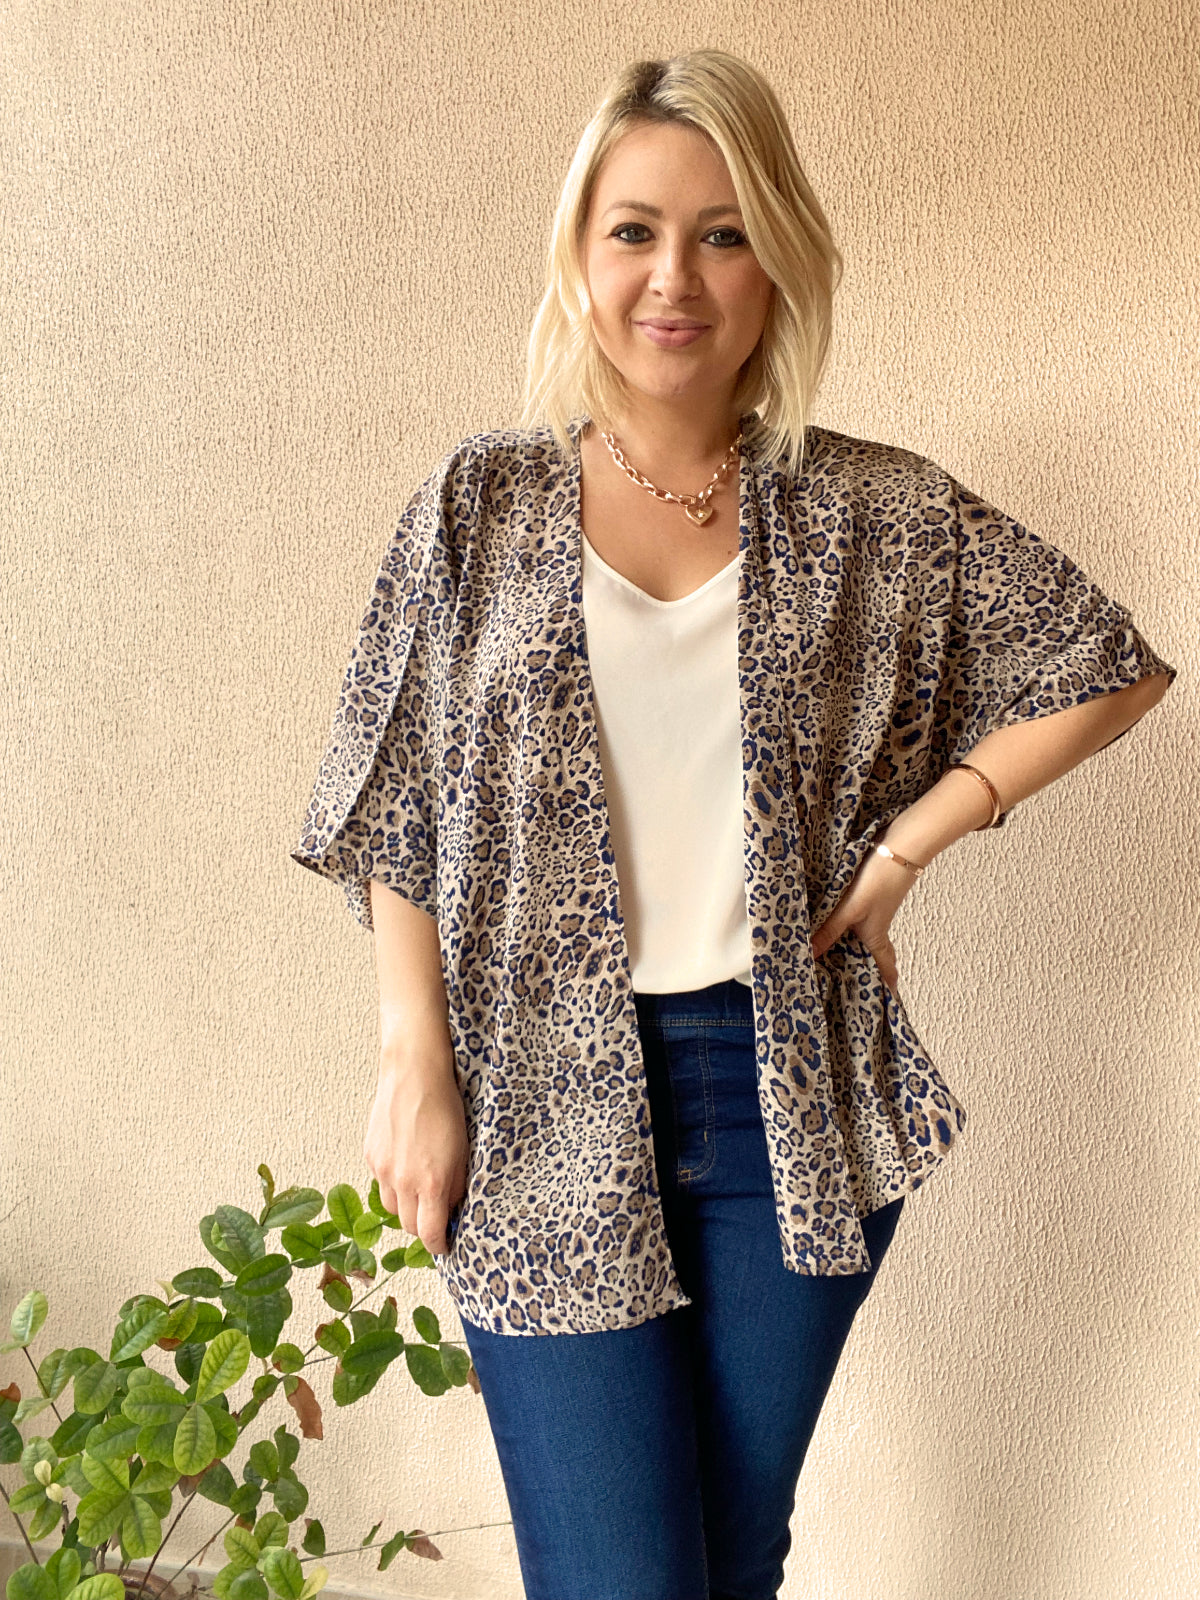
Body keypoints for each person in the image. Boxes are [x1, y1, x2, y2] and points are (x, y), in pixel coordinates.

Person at [290, 48, 1176, 1600]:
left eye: (723, 233)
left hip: (788, 1094)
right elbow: (395, 798)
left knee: (723, 1562)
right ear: (579, 254)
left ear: (779, 261)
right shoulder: (478, 507)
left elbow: (1110, 667)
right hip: (541, 1098)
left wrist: (909, 847)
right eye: (634, 231)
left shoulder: (874, 512)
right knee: (621, 1576)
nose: (674, 278)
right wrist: (412, 1059)